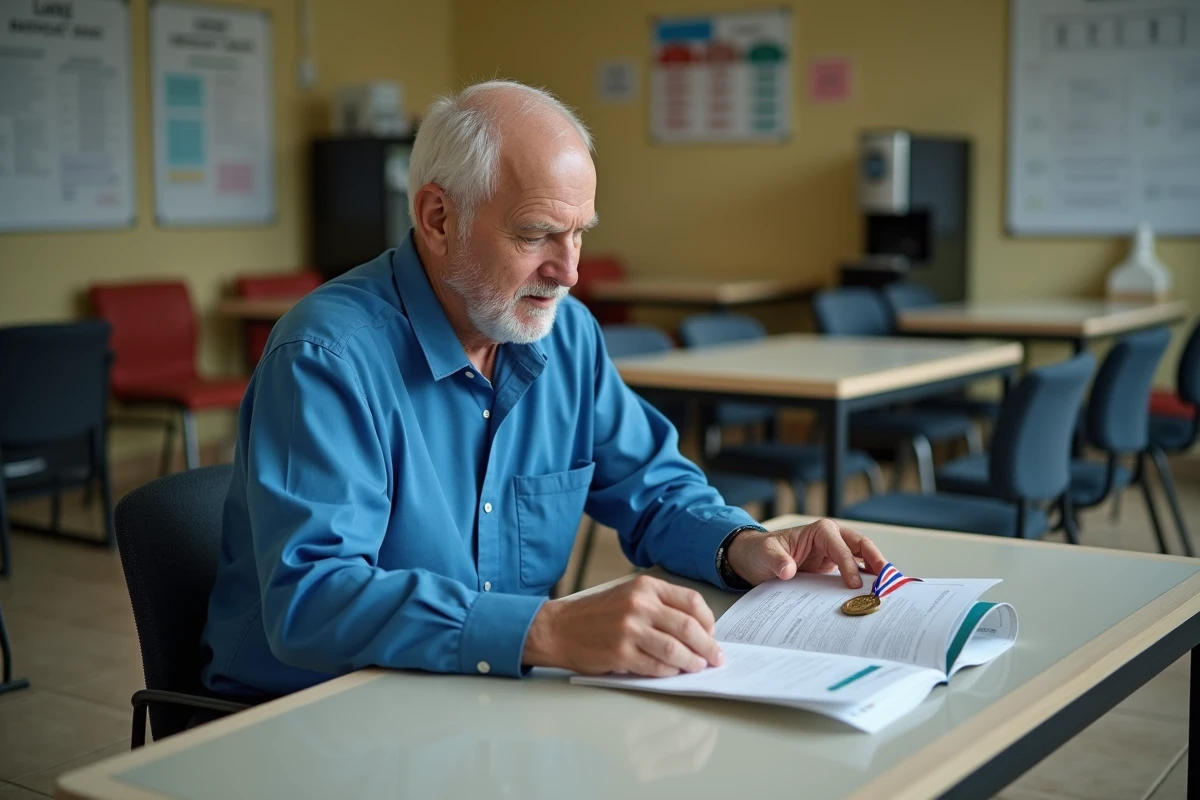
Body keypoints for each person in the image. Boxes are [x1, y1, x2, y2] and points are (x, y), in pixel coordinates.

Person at [201, 80, 887, 698]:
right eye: (537, 235)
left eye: (579, 234)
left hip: (477, 696)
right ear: (438, 219)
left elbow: (653, 488)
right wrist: (546, 630)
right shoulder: (326, 357)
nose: (569, 272)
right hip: (313, 714)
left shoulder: (567, 335)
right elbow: (314, 598)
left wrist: (742, 545)